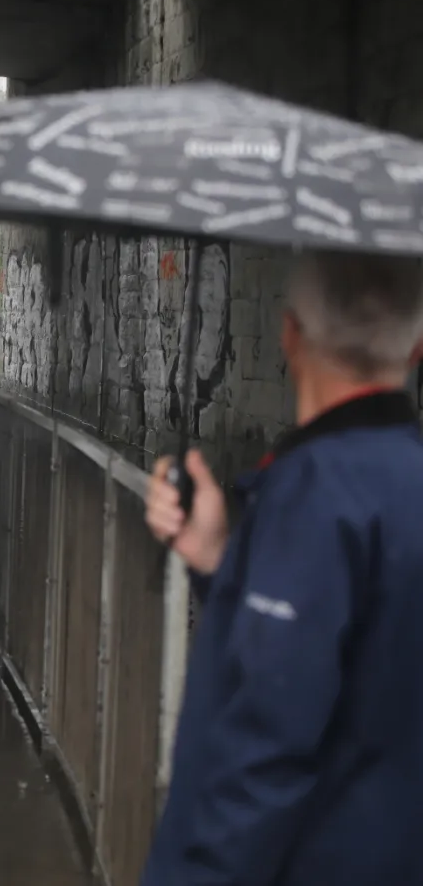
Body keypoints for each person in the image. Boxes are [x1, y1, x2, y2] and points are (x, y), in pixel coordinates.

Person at [141, 252, 423, 886]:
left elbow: (267, 745)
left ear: (290, 334)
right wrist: (220, 558)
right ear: (415, 350)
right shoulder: (403, 480)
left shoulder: (316, 493)